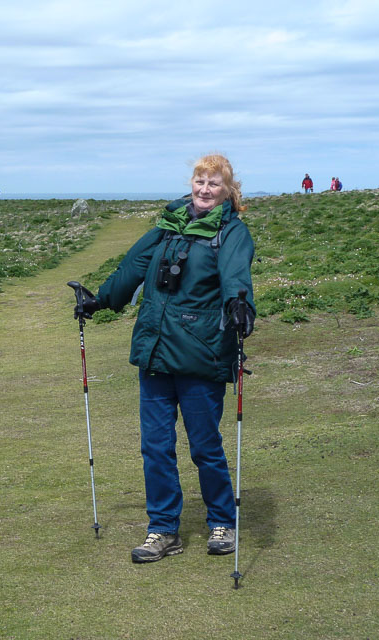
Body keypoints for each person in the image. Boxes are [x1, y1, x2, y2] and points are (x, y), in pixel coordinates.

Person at [73, 154, 256, 563]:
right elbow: (132, 268)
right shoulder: (167, 225)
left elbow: (235, 278)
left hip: (202, 355)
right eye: (200, 180)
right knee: (155, 447)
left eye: (214, 184)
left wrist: (240, 308)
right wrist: (101, 300)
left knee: (205, 446)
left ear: (228, 191)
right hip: (155, 354)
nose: (205, 189)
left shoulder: (232, 232)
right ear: (191, 183)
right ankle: (162, 530)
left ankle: (223, 521)